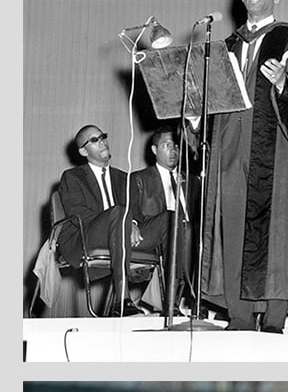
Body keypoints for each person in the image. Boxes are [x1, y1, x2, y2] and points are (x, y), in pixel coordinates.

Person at [201, 0, 288, 332]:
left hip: (275, 149)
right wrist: (195, 116)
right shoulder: (225, 46)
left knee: (276, 230)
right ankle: (238, 316)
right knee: (231, 225)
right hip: (228, 148)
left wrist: (283, 84)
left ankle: (273, 319)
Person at [57, 124, 170, 316]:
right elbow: (78, 213)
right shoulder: (72, 177)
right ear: (83, 151)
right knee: (118, 212)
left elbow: (137, 214)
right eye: (94, 140)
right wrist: (122, 219)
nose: (102, 142)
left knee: (170, 218)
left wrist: (131, 223)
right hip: (88, 236)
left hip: (124, 236)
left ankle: (172, 300)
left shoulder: (124, 178)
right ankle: (122, 300)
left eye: (102, 136)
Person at [130, 125, 193, 308]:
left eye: (176, 146)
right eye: (167, 145)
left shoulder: (192, 181)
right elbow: (132, 212)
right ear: (154, 150)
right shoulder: (139, 179)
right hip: (155, 238)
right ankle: (171, 300)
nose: (173, 150)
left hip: (189, 239)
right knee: (175, 222)